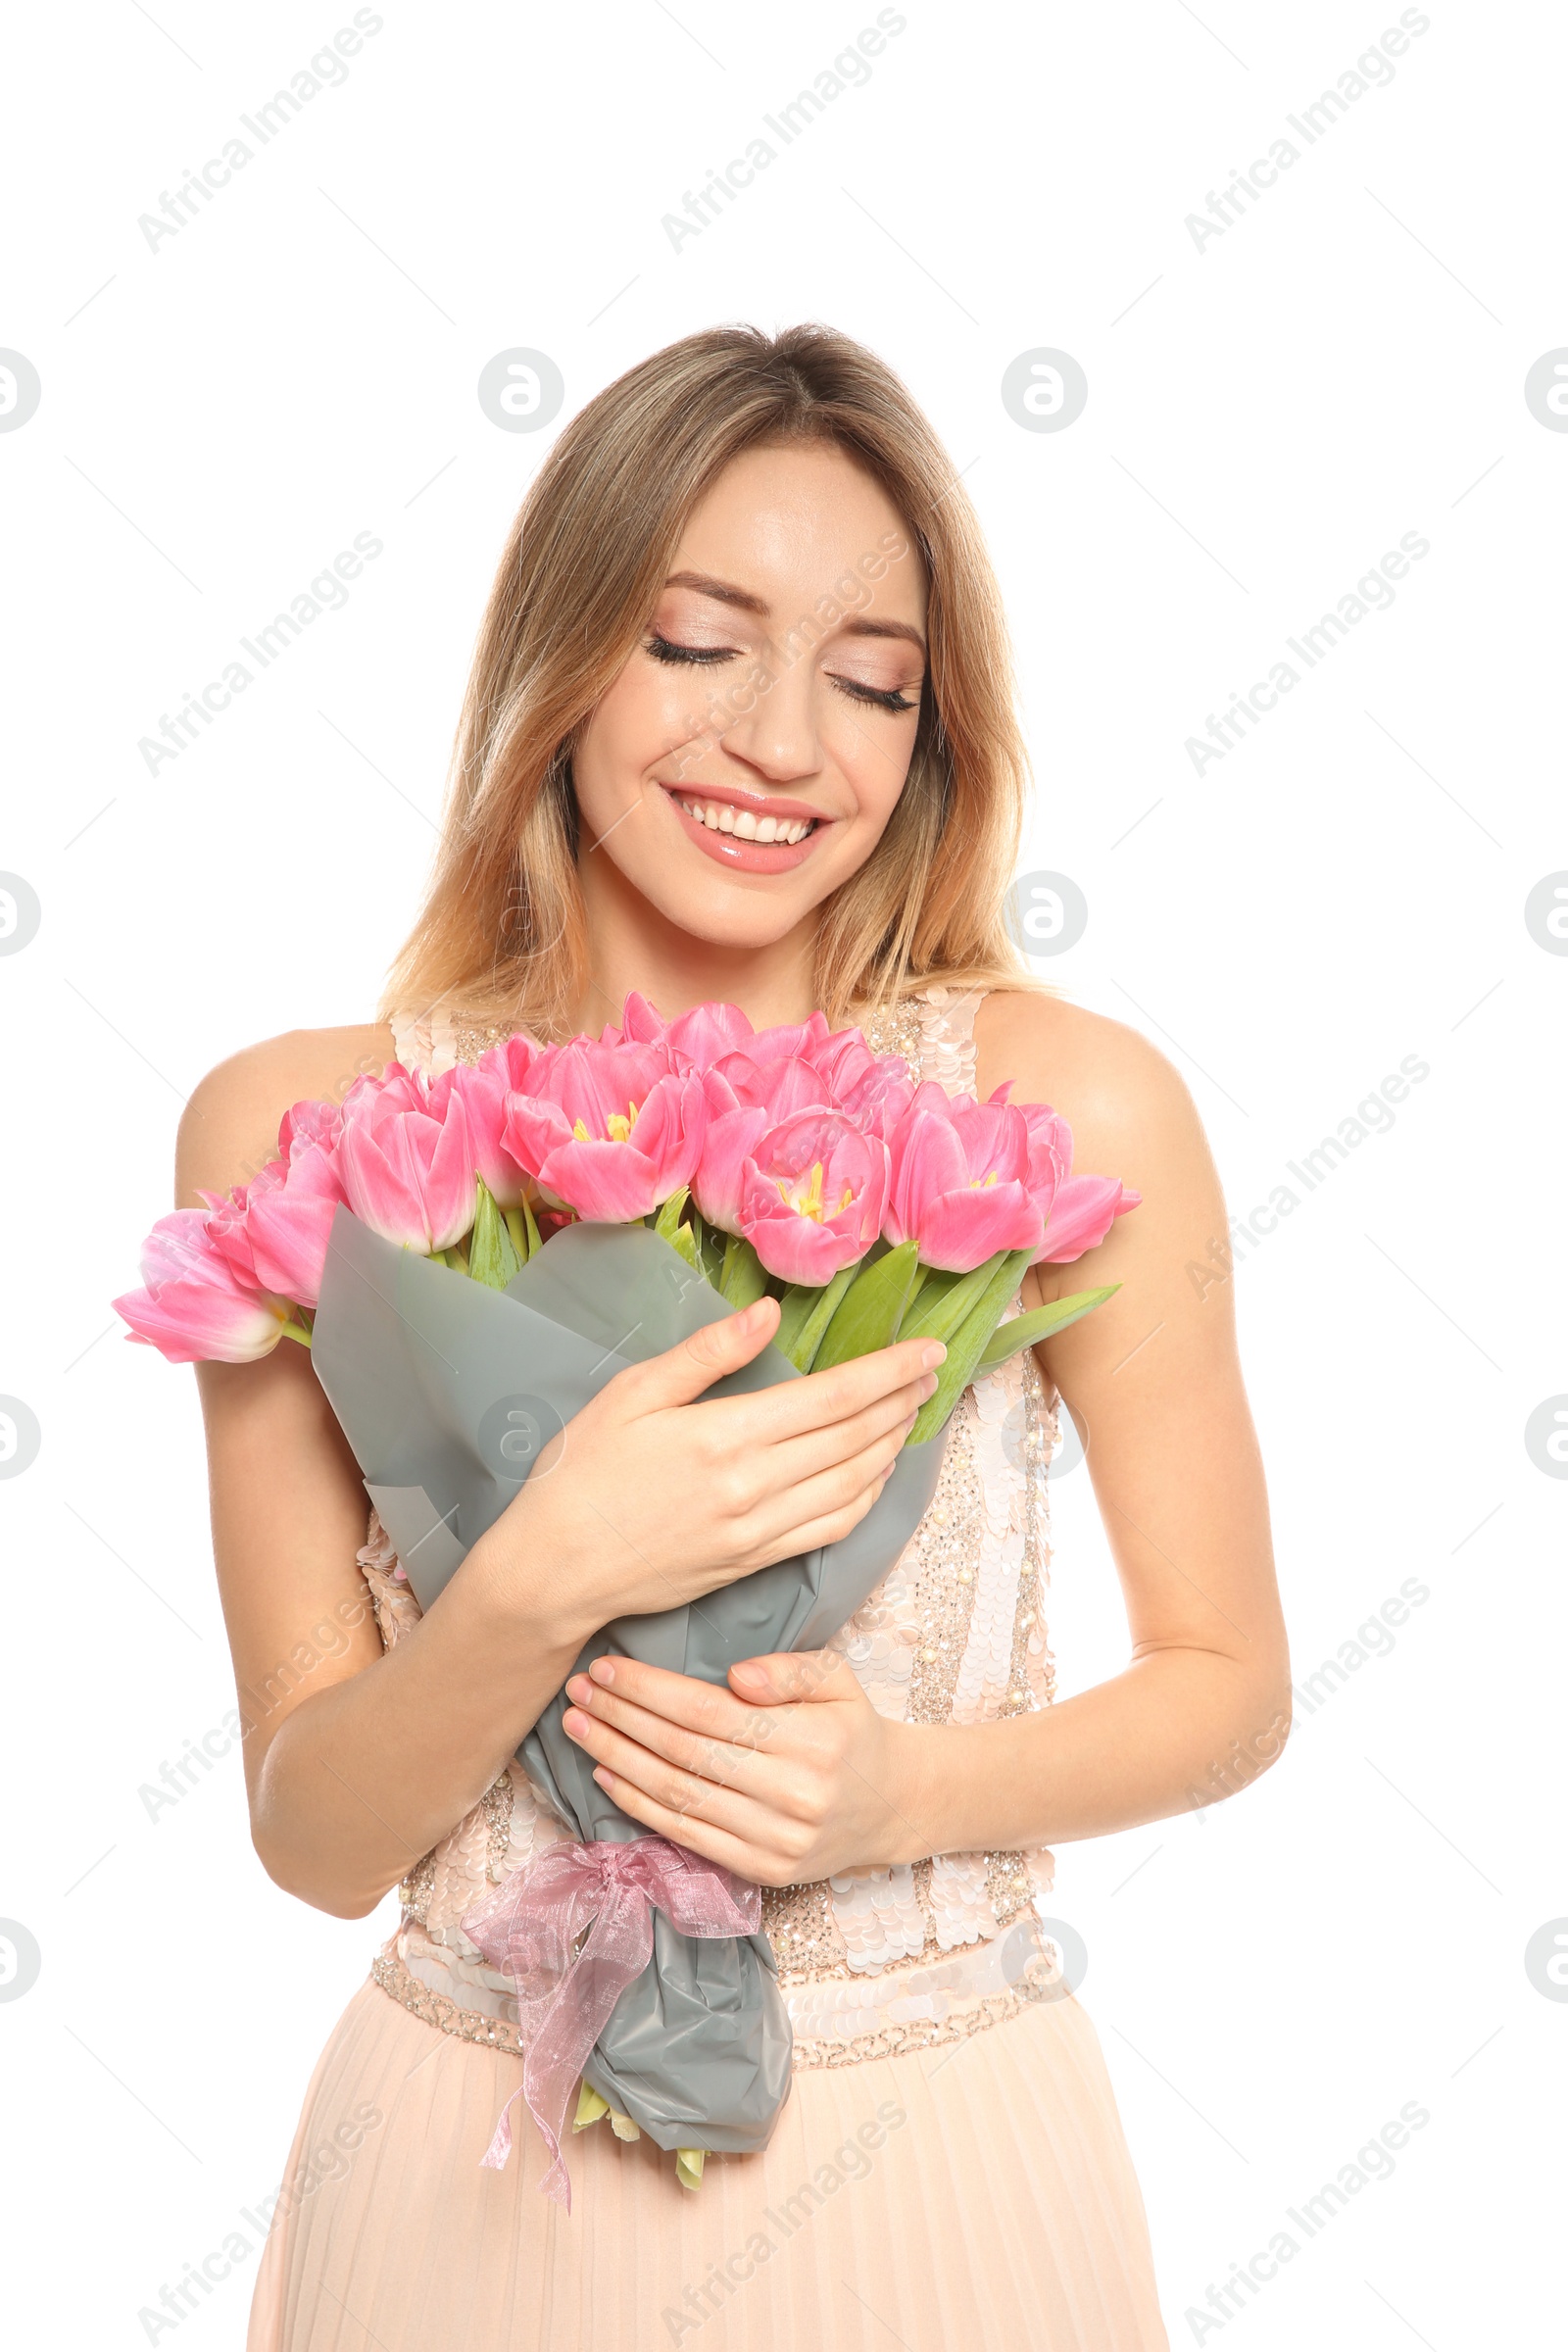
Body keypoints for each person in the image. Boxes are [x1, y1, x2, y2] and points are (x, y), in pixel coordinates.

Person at [179, 324, 1288, 2350]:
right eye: (697, 642)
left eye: (870, 680)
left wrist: (895, 1803)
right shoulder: (310, 1132)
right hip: (464, 2183)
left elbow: (1228, 1688)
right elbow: (311, 1834)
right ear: (564, 655)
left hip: (935, 2168)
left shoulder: (1066, 1109)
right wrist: (543, 1577)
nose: (784, 743)